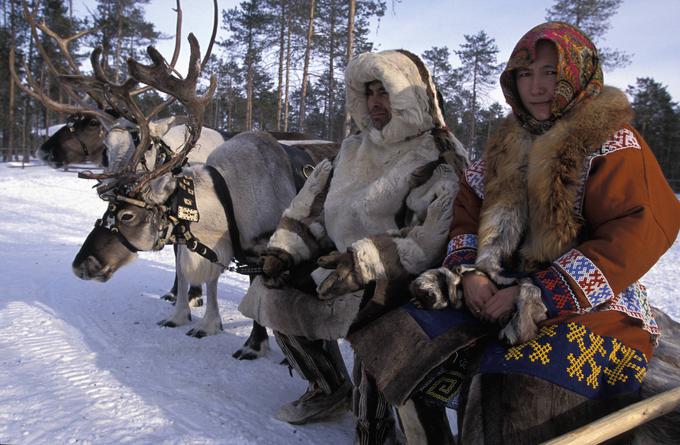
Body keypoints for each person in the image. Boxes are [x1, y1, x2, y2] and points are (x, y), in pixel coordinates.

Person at [383, 21, 680, 443]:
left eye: (551, 73)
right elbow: (469, 210)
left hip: (590, 297)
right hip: (501, 280)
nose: (537, 87)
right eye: (526, 74)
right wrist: (473, 273)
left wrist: (542, 292)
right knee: (400, 335)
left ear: (577, 75)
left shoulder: (612, 141)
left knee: (518, 380)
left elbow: (640, 227)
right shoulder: (506, 143)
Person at [238, 49, 468, 443]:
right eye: (370, 93)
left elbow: (431, 236)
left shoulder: (436, 154)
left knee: (372, 320)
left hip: (399, 277)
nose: (376, 103)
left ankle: (375, 429)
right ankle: (328, 386)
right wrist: (284, 250)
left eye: (386, 92)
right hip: (341, 265)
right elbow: (315, 210)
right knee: (273, 289)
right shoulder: (353, 148)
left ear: (408, 96)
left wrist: (364, 261)